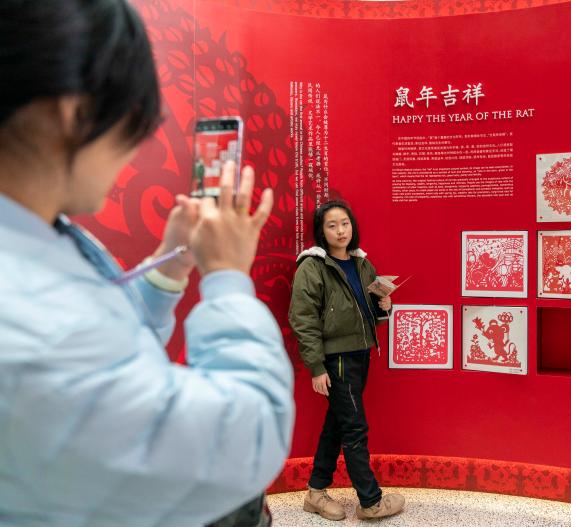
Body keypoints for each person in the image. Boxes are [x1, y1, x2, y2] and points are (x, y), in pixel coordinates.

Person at [0, 1, 294, 526]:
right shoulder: (41, 329)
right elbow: (245, 442)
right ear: (73, 112)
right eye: (135, 124)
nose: (134, 152)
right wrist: (227, 276)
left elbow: (107, 343)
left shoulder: (37, 237)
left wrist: (168, 266)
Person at [289, 200, 405, 521]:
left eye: (345, 223)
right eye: (332, 225)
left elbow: (369, 312)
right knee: (354, 428)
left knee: (338, 423)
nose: (341, 231)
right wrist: (316, 368)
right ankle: (371, 501)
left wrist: (384, 306)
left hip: (361, 354)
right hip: (336, 359)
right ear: (321, 231)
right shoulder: (312, 267)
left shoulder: (362, 263)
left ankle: (315, 493)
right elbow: (303, 320)